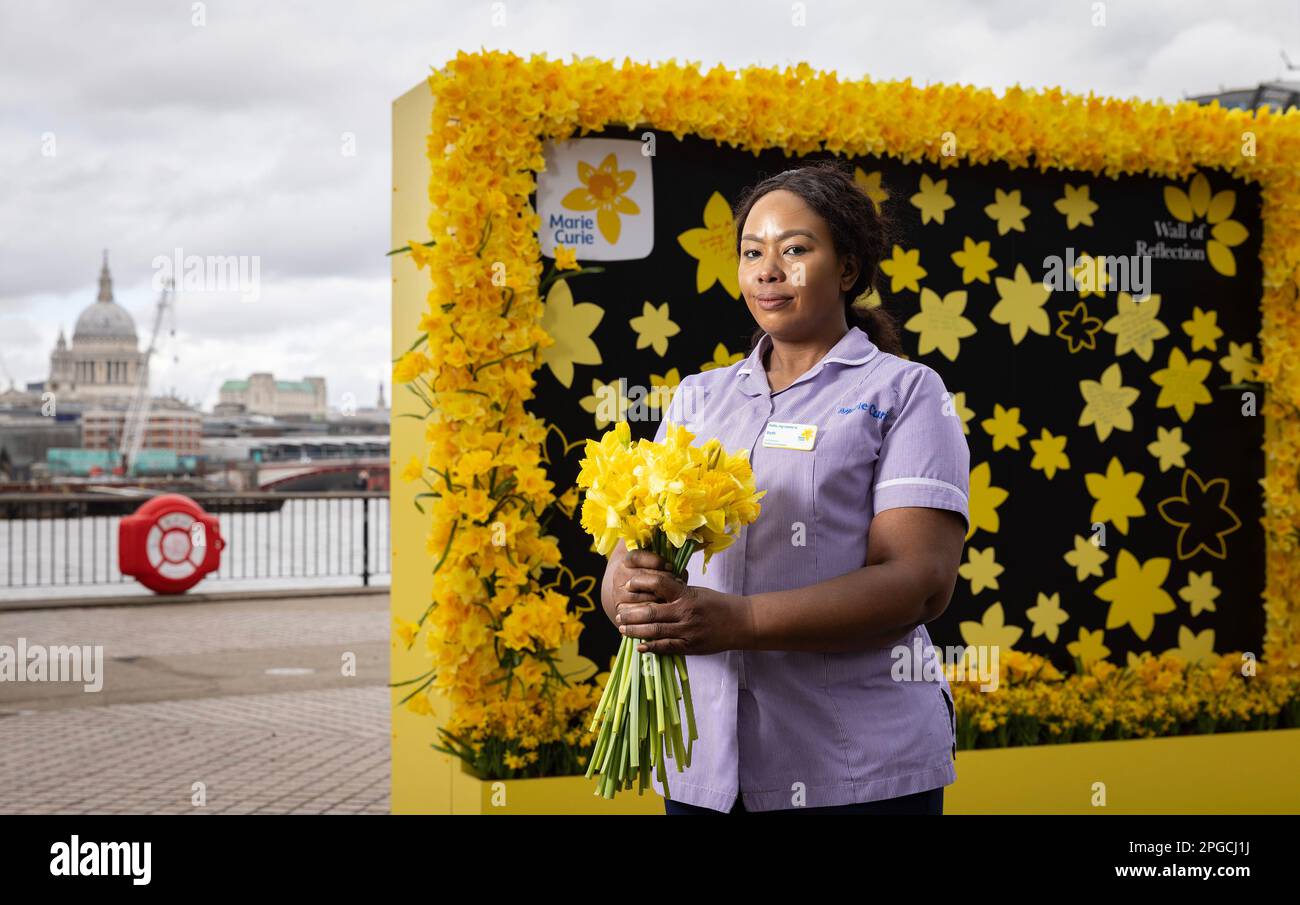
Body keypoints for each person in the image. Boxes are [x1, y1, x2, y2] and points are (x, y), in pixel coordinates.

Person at [599, 159, 970, 815]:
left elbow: (920, 580)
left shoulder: (907, 394)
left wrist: (741, 620)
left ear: (848, 269)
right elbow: (627, 549)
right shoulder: (698, 398)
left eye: (795, 249)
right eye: (752, 252)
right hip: (703, 769)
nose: (768, 269)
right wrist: (628, 595)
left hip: (855, 772)